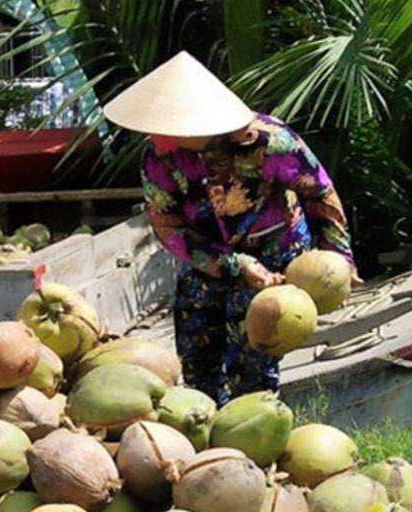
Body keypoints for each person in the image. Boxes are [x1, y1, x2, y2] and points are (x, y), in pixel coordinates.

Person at [103, 51, 359, 405]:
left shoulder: (269, 141)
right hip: (207, 253)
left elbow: (319, 191)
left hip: (275, 252)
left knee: (254, 348)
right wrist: (233, 265)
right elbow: (168, 226)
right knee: (196, 351)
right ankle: (206, 425)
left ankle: (254, 422)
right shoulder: (158, 156)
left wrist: (338, 258)